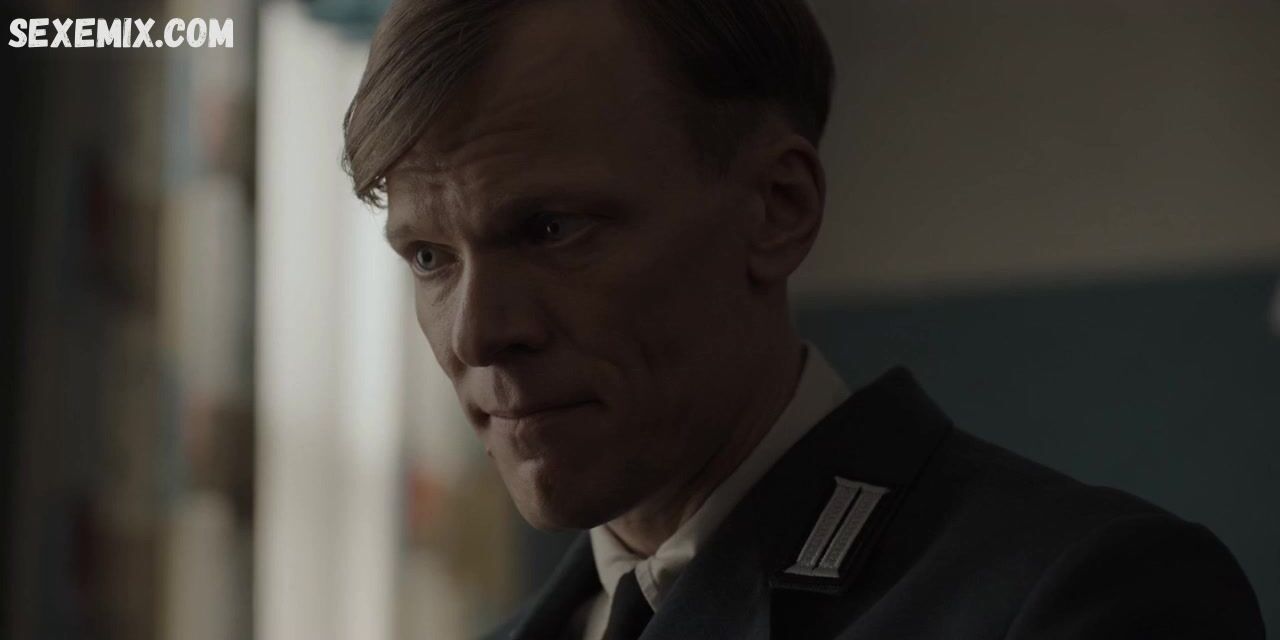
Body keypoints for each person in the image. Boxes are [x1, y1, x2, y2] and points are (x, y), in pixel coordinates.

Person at [341, 0, 1265, 637]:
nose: (476, 334)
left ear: (777, 209)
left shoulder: (1079, 600)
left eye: (550, 228)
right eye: (428, 257)